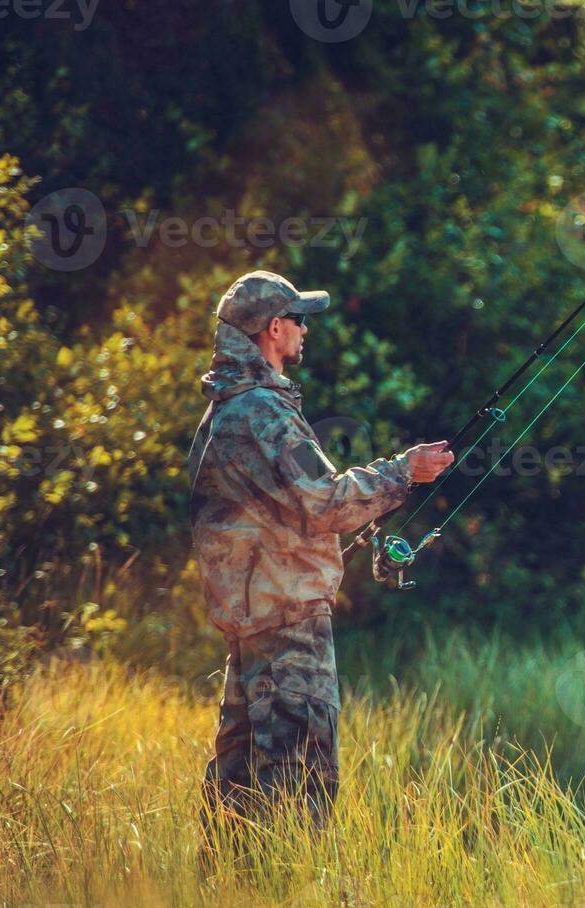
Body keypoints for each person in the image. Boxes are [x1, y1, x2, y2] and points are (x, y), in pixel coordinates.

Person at [188, 270, 454, 827]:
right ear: (274, 329)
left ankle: (226, 907)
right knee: (299, 790)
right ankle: (287, 904)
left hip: (251, 625)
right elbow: (326, 503)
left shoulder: (222, 412)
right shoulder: (264, 413)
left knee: (236, 792)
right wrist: (404, 471)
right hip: (288, 631)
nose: (306, 331)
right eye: (300, 321)